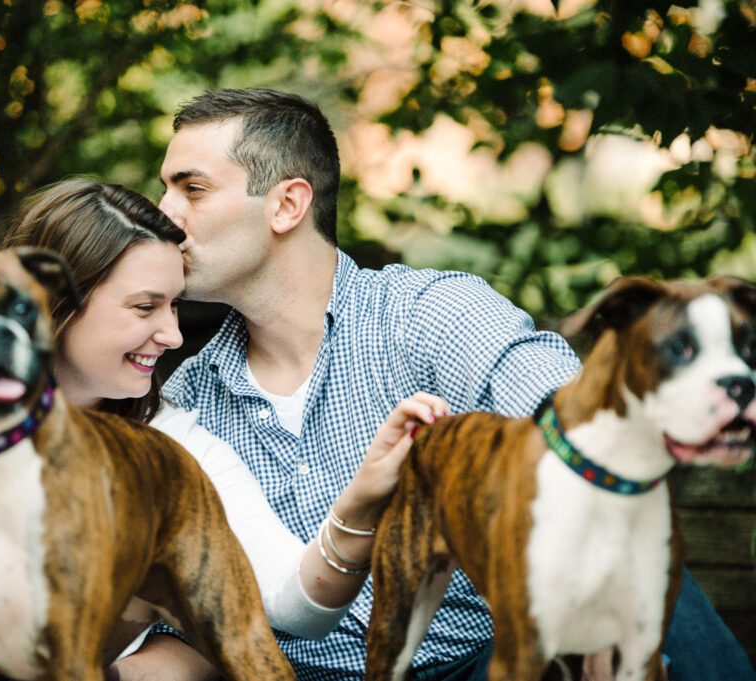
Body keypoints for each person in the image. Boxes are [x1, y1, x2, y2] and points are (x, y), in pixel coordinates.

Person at [108, 87, 756, 681]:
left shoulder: (431, 316)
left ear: (287, 204)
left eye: (190, 189)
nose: (162, 216)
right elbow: (186, 612)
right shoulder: (189, 398)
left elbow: (571, 421)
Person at [0, 177, 443, 681]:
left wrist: (358, 503)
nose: (171, 333)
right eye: (145, 306)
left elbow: (285, 603)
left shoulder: (167, 446)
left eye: (175, 305)